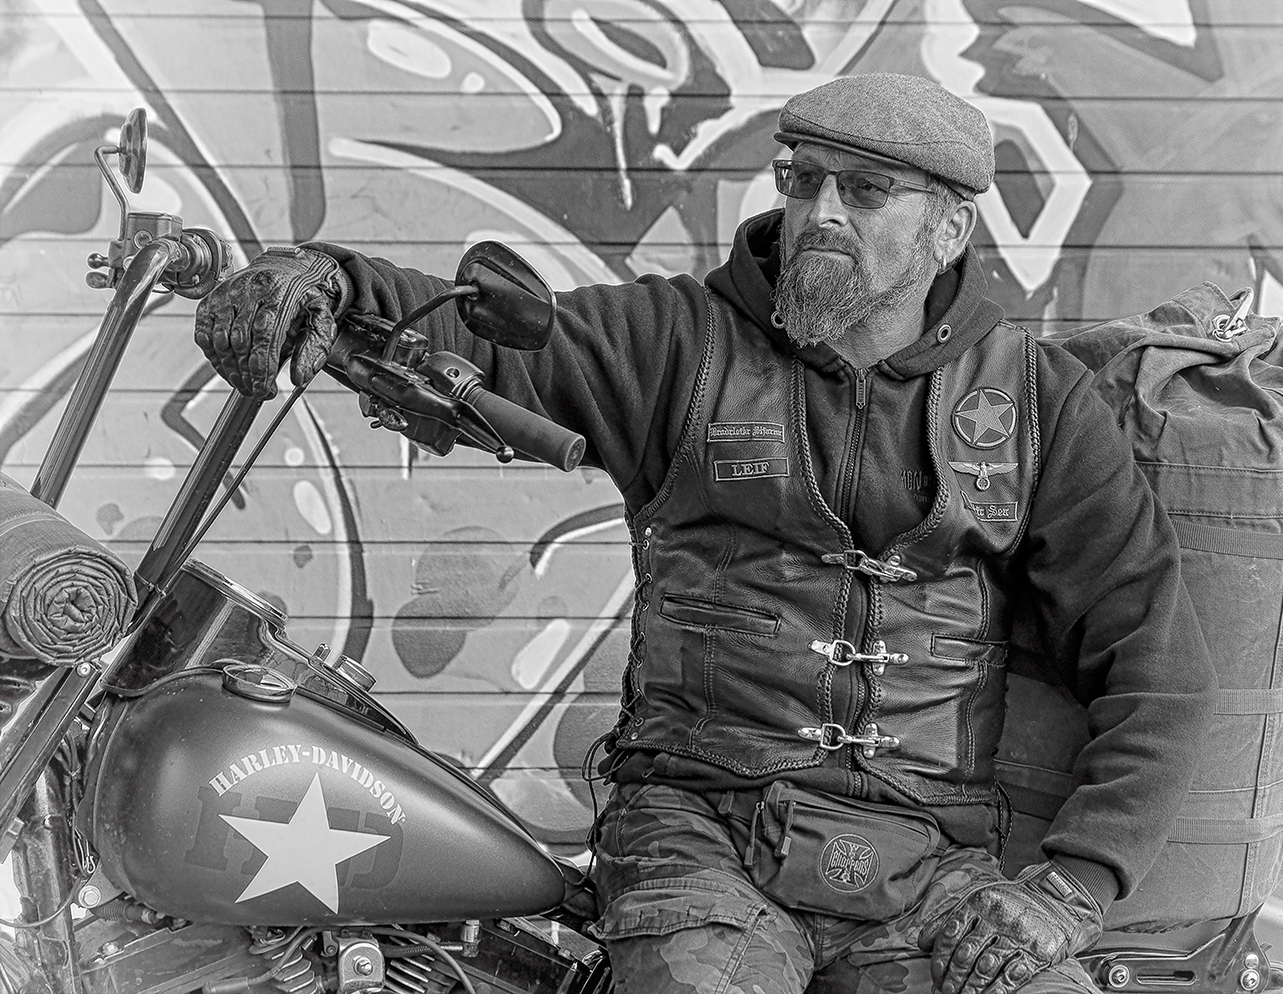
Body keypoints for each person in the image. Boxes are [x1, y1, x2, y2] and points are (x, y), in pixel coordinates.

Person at [194, 73, 1215, 994]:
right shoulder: (680, 340)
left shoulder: (1037, 403)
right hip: (697, 834)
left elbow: (1156, 665)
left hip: (923, 857)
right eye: (802, 178)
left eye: (863, 193)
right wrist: (329, 278)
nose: (818, 212)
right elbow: (484, 335)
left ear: (947, 230)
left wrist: (1068, 887)